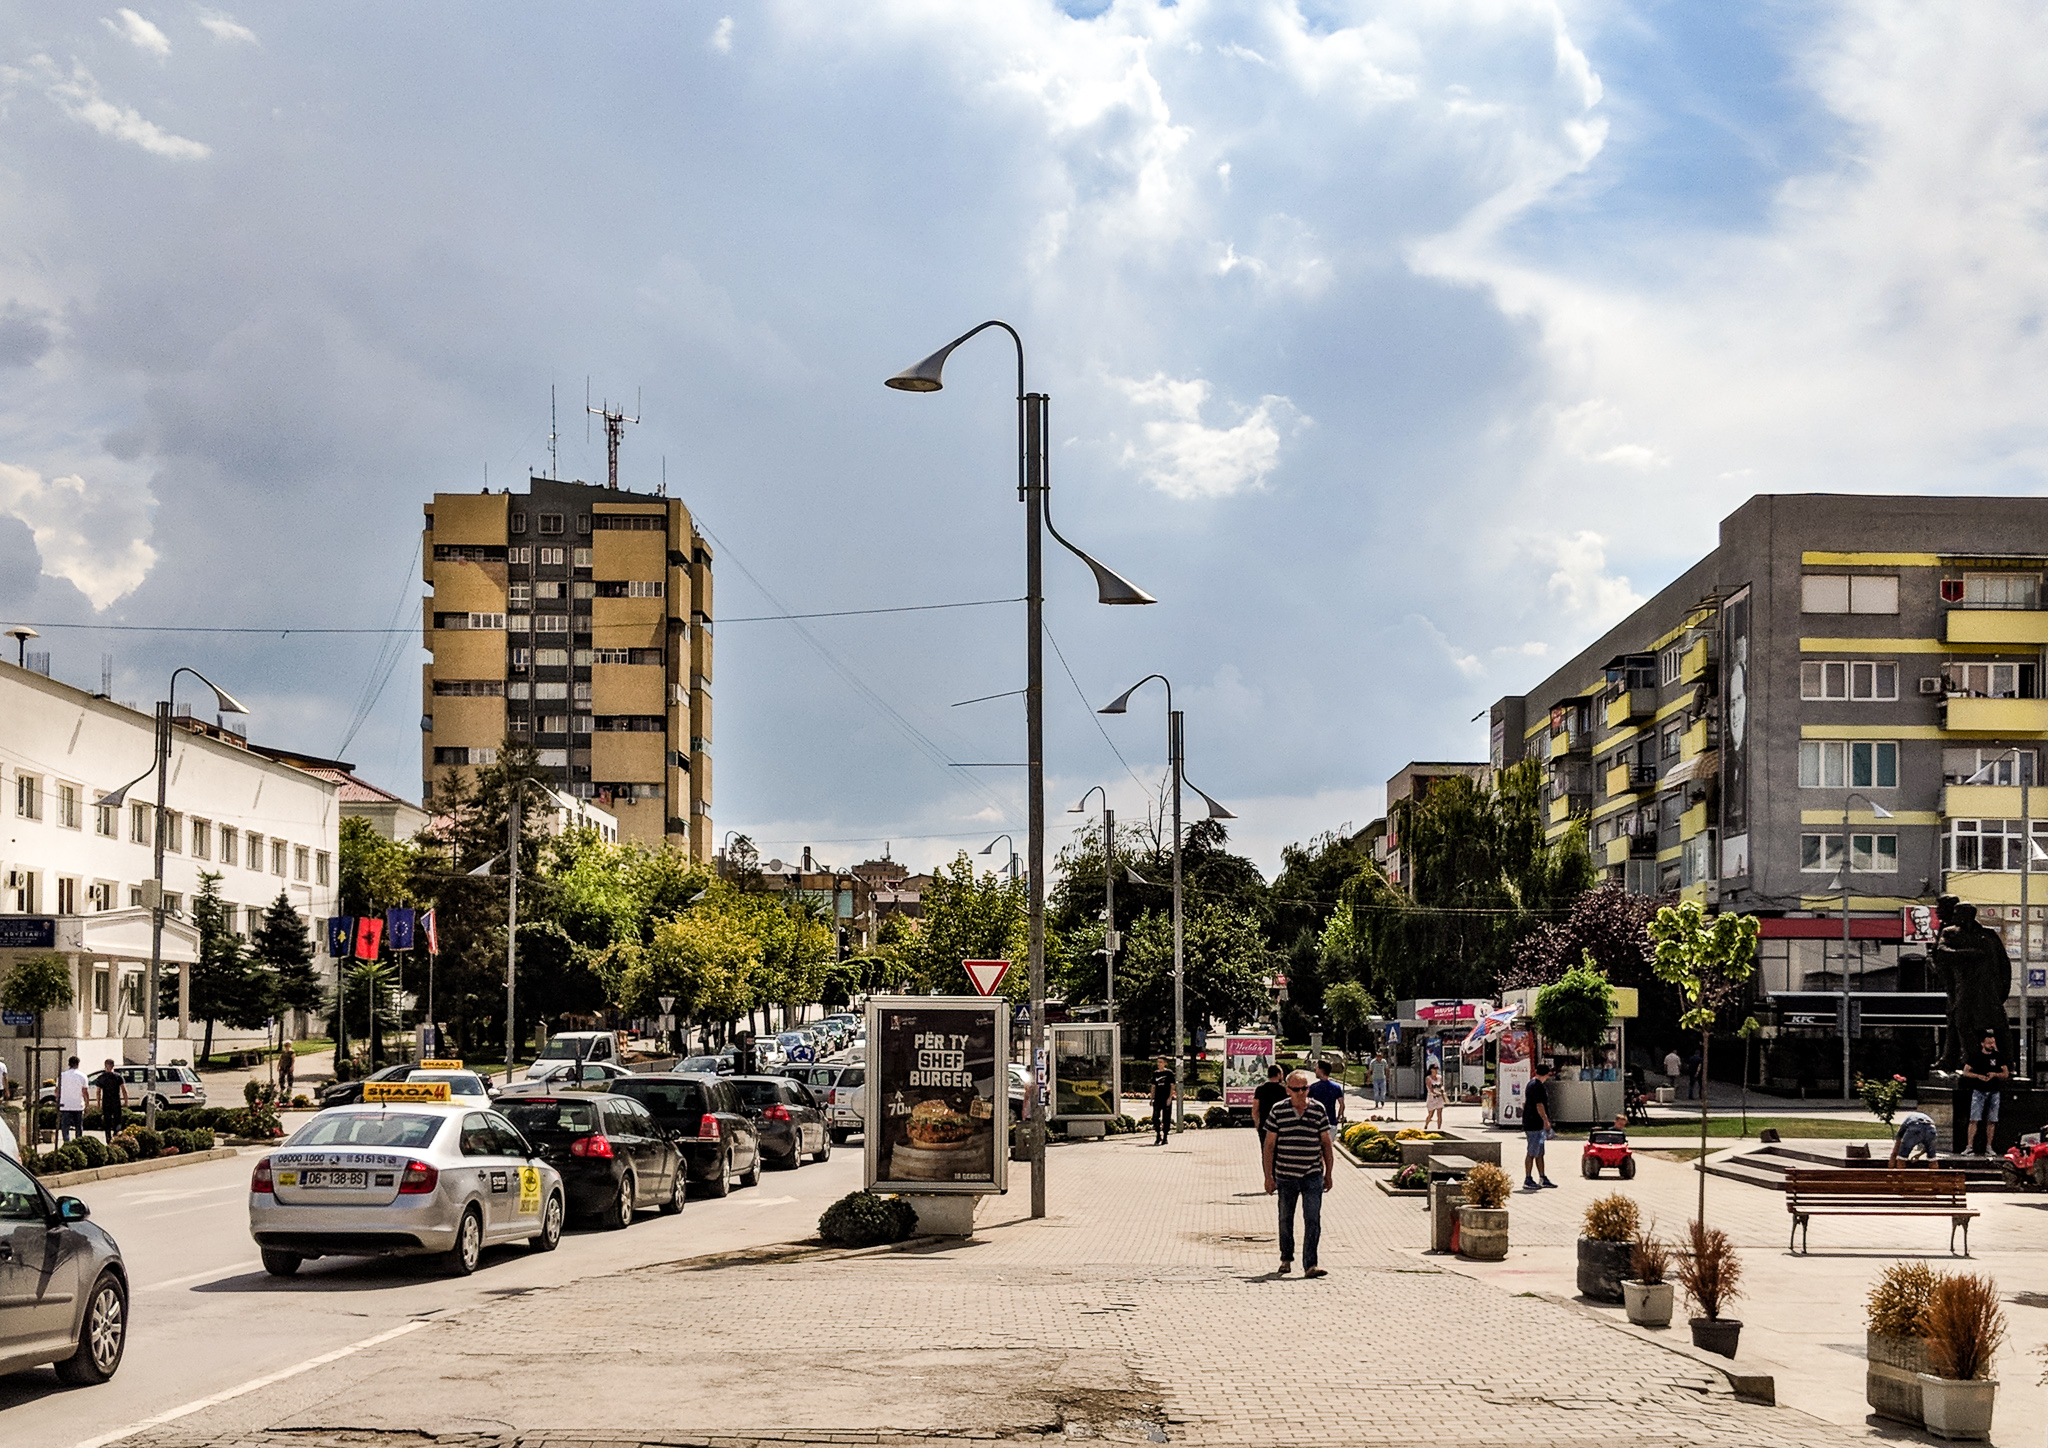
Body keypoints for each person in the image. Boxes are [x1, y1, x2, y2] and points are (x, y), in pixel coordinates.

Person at [1261, 1070, 1335, 1278]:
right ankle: (1286, 1258)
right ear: (1288, 1090)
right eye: (1296, 1089)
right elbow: (1269, 1146)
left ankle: (1310, 1264)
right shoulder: (1279, 1111)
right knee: (1286, 1218)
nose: (1301, 1093)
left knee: (1313, 1218)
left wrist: (1329, 1173)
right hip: (1285, 1174)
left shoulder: (1318, 1110)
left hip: (1312, 1173)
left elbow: (1326, 1143)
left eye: (1304, 1088)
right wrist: (1268, 1176)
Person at [1962, 1028, 2009, 1156]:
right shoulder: (1976, 1056)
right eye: (1989, 1043)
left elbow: (2006, 1073)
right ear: (1983, 1043)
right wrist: (1978, 1076)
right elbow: (1966, 1072)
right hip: (1979, 1091)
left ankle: (1989, 1146)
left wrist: (1995, 1074)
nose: (1991, 1045)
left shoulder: (1998, 1057)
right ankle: (1969, 1146)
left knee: (1992, 1120)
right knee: (1974, 1119)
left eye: (1993, 1043)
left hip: (1994, 1091)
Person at [1522, 1060, 1557, 1189]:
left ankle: (1542, 1177)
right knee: (1532, 1151)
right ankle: (1528, 1178)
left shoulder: (1531, 1084)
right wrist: (1545, 1120)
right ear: (1547, 1074)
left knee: (1540, 1152)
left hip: (1534, 1123)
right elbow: (1539, 1105)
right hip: (1534, 1123)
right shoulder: (1537, 1086)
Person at [91, 1058, 127, 1143]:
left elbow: (98, 1091)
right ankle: (116, 1134)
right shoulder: (118, 1077)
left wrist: (98, 1102)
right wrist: (126, 1101)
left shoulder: (101, 1077)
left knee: (107, 1121)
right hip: (116, 1101)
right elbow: (123, 1089)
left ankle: (108, 1138)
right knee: (117, 1120)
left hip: (106, 1101)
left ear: (105, 1065)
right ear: (113, 1066)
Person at [57, 1056, 89, 1143]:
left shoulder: (62, 1075)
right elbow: (85, 1091)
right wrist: (87, 1104)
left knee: (65, 1127)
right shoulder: (82, 1076)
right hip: (78, 1105)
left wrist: (58, 1100)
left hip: (65, 1105)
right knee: (78, 1127)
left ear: (69, 1064)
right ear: (78, 1064)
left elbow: (57, 1090)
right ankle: (78, 1143)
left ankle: (66, 1143)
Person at [1252, 1064, 1288, 1138]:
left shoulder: (1260, 1089)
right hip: (1281, 1124)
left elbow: (1255, 1108)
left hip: (1264, 1124)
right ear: (1278, 1074)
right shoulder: (1285, 1090)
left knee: (1265, 1148)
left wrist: (1257, 1123)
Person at [1308, 1058, 1345, 1129]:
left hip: (1316, 1123)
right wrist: (1339, 1116)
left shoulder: (1313, 1087)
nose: (1315, 1070)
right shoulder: (1336, 1087)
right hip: (1331, 1122)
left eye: (1316, 1068)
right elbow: (1342, 1104)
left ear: (1321, 1070)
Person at [1150, 1056, 1174, 1145]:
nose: (1159, 1064)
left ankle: (1165, 1137)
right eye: (1158, 1062)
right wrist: (1152, 1098)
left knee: (1166, 1118)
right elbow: (1153, 1086)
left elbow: (1172, 1086)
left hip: (1166, 1098)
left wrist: (1170, 1098)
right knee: (1155, 1117)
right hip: (1157, 1098)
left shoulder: (1169, 1073)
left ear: (1165, 1063)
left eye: (1161, 1062)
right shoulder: (1155, 1074)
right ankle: (1158, 1134)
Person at [1422, 1062, 1446, 1132]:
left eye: (1437, 1069)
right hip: (1432, 1097)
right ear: (1431, 1069)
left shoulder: (1439, 1077)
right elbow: (1430, 1089)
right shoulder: (1428, 1078)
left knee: (1439, 1114)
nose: (1436, 1070)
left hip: (1439, 1098)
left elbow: (1441, 1085)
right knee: (1431, 1114)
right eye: (1434, 1068)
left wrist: (1442, 1089)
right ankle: (1426, 1125)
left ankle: (1439, 1129)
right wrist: (1436, 1093)